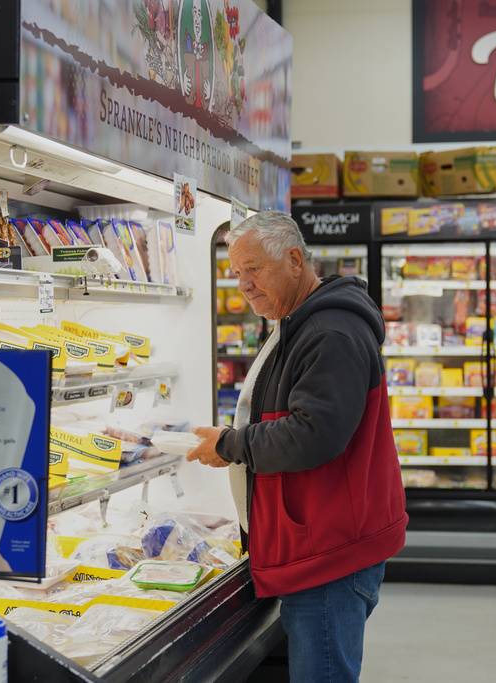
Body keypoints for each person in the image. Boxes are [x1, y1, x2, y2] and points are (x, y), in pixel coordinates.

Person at [188, 210, 408, 682]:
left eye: (254, 269)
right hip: (317, 540)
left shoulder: (329, 332)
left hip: (330, 554)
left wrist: (230, 445)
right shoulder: (300, 320)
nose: (244, 285)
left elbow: (314, 434)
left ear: (293, 259)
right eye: (236, 273)